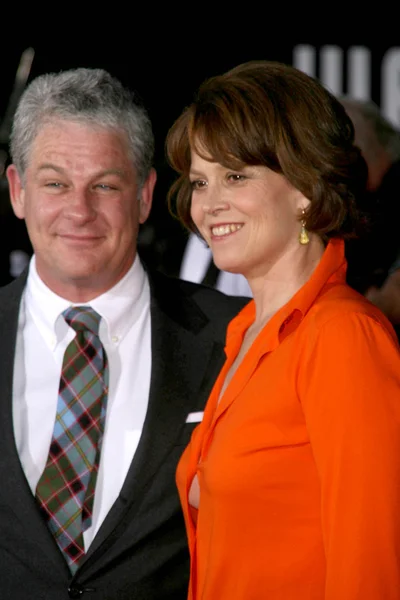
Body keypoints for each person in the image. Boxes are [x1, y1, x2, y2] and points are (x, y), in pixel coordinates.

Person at [0, 67, 248, 599]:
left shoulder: (239, 336)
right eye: (55, 183)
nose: (79, 210)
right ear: (18, 191)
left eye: (106, 185)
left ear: (144, 195)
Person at [165, 60, 400, 599]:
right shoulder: (244, 335)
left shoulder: (343, 338)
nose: (209, 203)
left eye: (236, 175)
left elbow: (370, 571)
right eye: (201, 181)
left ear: (304, 187)